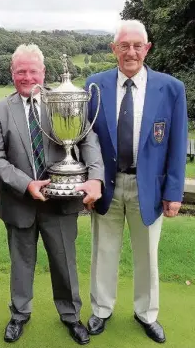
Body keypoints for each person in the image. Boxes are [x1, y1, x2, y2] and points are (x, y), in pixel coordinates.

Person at [0, 44, 104, 345]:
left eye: (32, 70)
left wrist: (96, 178)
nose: (27, 77)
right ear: (12, 73)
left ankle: (70, 316)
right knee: (21, 263)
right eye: (20, 71)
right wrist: (26, 184)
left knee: (65, 262)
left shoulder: (62, 99)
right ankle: (19, 315)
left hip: (62, 202)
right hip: (20, 200)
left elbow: (87, 139)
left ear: (43, 72)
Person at [85, 20, 188, 344]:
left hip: (150, 190)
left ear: (147, 49)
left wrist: (174, 192)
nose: (131, 51)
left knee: (148, 255)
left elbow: (177, 144)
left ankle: (147, 314)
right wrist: (90, 181)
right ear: (113, 49)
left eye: (137, 45)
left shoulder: (171, 89)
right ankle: (101, 309)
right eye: (124, 45)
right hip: (108, 186)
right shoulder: (95, 86)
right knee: (104, 251)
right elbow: (86, 140)